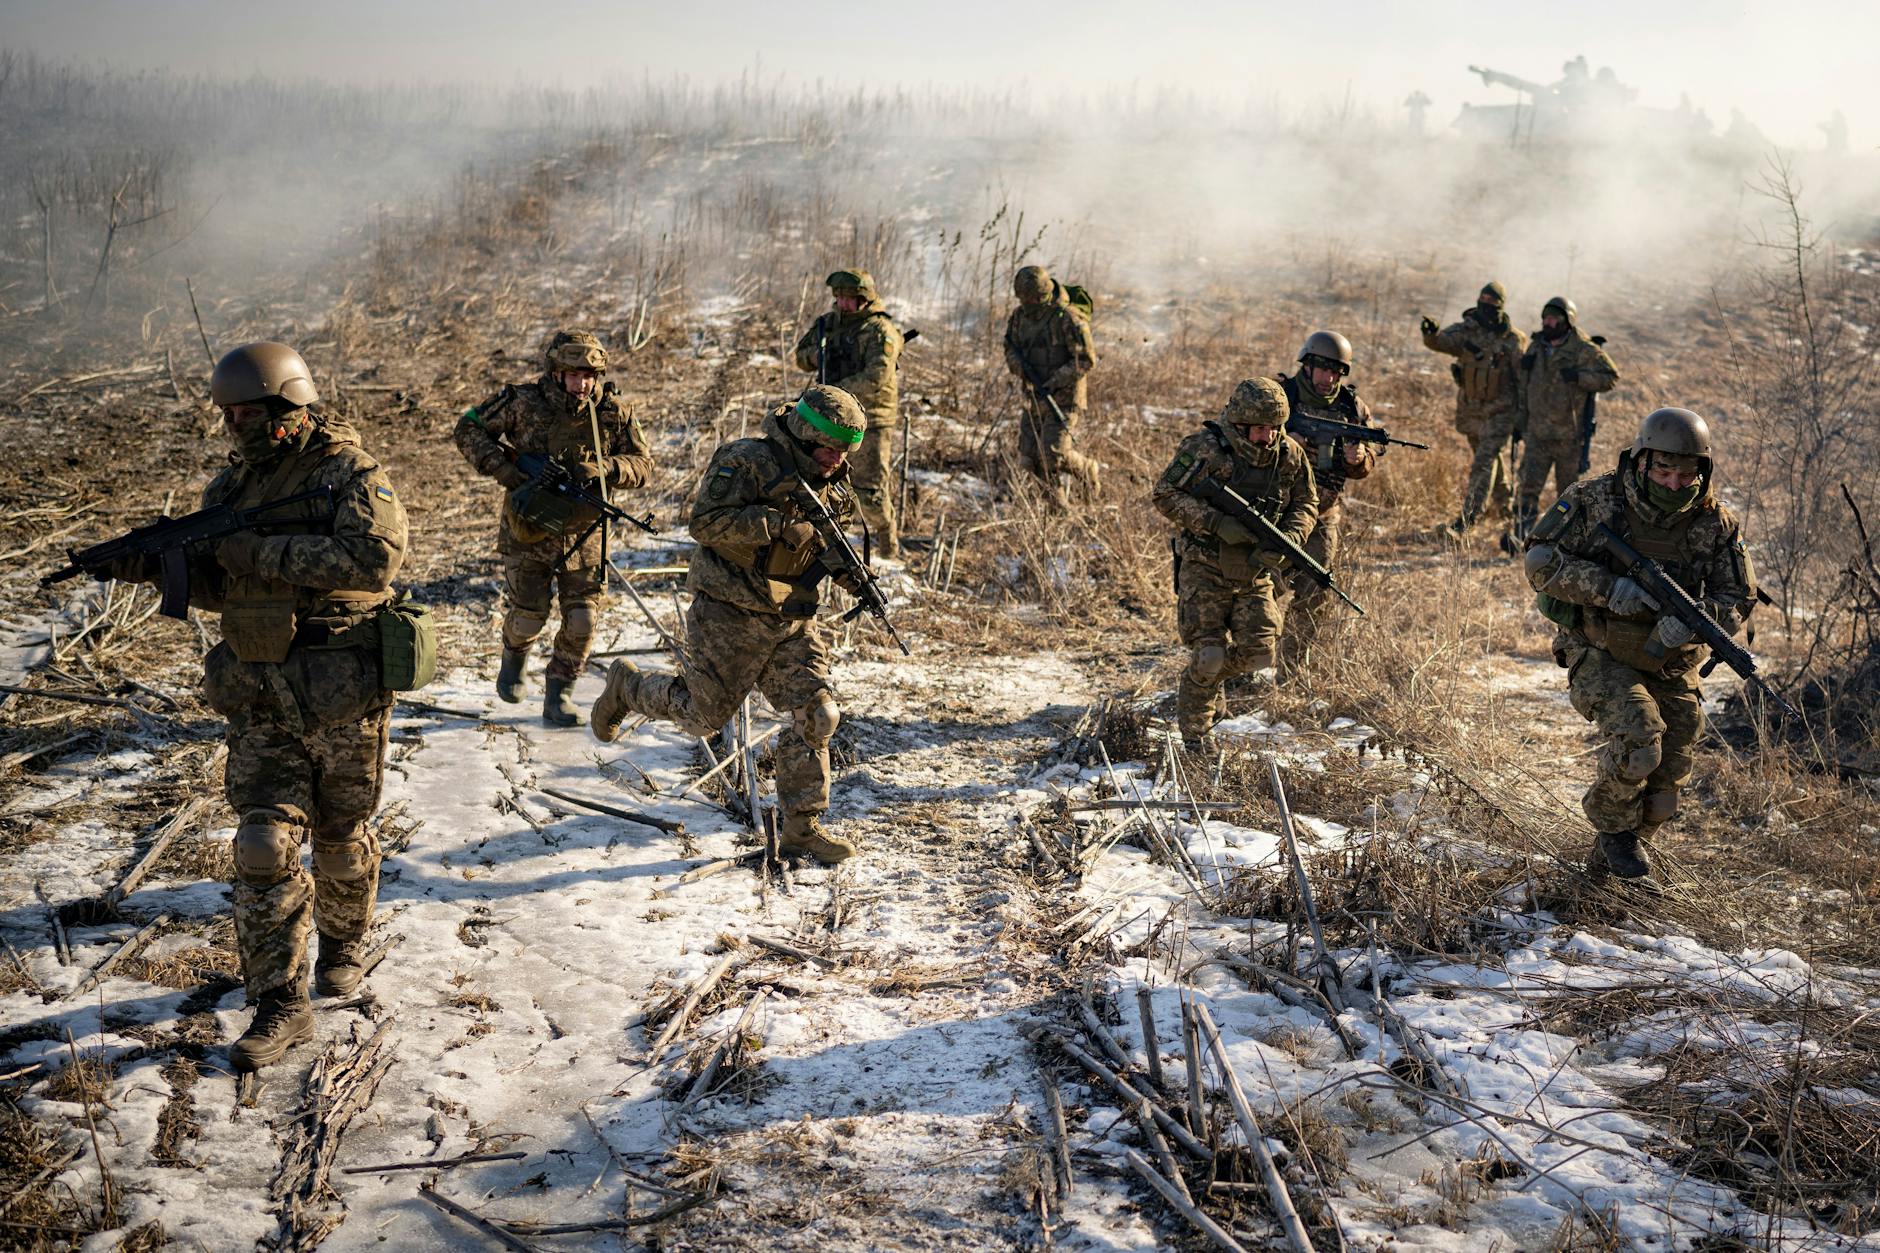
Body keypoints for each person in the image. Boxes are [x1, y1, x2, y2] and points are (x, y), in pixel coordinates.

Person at [88, 342, 408, 1069]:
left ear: (290, 405)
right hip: (260, 692)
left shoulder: (350, 474)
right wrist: (146, 565)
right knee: (262, 845)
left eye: (251, 413)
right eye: (230, 415)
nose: (239, 427)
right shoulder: (228, 488)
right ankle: (279, 1003)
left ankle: (346, 943)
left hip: (340, 690)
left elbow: (373, 560)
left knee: (341, 839)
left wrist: (260, 554)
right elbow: (218, 583)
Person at [589, 384, 870, 864]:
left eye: (845, 449)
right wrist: (775, 523)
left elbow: (823, 544)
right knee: (702, 717)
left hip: (790, 618)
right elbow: (706, 523)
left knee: (819, 713)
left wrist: (849, 573)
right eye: (829, 447)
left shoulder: (834, 482)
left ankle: (802, 827)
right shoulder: (746, 460)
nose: (836, 458)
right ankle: (628, 688)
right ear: (804, 435)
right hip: (728, 611)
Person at [1522, 408, 1756, 879]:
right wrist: (1608, 589)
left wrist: (1700, 622)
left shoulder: (1717, 523)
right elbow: (1540, 562)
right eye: (1664, 471)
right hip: (1600, 648)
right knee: (1639, 742)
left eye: (1686, 475)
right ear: (1643, 460)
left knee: (1665, 789)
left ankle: (1603, 876)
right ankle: (1612, 827)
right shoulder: (1596, 499)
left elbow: (1738, 596)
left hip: (1672, 663)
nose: (1673, 484)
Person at [455, 330, 652, 726]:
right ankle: (514, 657)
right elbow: (468, 428)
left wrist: (606, 468)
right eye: (574, 375)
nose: (583, 384)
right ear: (556, 373)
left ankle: (559, 694)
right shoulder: (522, 402)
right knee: (528, 614)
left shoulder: (614, 413)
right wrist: (504, 469)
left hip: (585, 536)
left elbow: (643, 465)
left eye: (589, 376)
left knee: (583, 621)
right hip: (530, 530)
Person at [1153, 378, 1318, 753]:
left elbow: (1306, 503)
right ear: (1241, 424)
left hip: (1255, 570)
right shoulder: (1204, 449)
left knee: (1260, 653)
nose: (1268, 437)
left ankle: (1203, 679)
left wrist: (1290, 539)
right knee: (1209, 653)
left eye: (1275, 428)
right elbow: (1165, 494)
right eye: (1261, 429)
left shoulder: (1290, 454)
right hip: (1204, 564)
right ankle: (1195, 738)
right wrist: (1214, 522)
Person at [1276, 331, 1377, 677]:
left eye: (1336, 372)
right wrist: (1284, 442)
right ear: (1307, 364)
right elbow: (1243, 439)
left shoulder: (1352, 408)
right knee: (1260, 588)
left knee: (1314, 592)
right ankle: (1244, 663)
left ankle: (1289, 672)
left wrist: (1357, 458)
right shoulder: (1282, 397)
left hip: (1322, 513)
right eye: (1323, 370)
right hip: (1277, 512)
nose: (1329, 379)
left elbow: (1368, 460)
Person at [794, 269, 905, 558]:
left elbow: (876, 377)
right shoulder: (828, 325)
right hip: (829, 421)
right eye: (839, 297)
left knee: (869, 491)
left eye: (848, 298)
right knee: (820, 480)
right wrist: (815, 357)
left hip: (872, 418)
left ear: (864, 299)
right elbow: (800, 355)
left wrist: (837, 394)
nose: (842, 304)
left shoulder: (880, 331)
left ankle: (887, 541)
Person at [1421, 283, 1525, 545]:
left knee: (1484, 461)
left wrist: (1523, 417)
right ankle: (1507, 511)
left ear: (1501, 304)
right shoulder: (1466, 330)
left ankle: (1467, 522)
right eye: (1483, 298)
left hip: (1501, 411)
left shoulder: (1512, 339)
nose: (1486, 303)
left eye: (1492, 300)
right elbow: (1442, 342)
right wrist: (1430, 335)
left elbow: (1523, 379)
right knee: (1490, 460)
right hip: (1471, 410)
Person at [1514, 296, 1618, 538]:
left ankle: (1566, 539)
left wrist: (1580, 377)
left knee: (1568, 494)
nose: (1548, 322)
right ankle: (1520, 535)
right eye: (1545, 317)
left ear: (1567, 321)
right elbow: (1524, 386)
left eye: (1554, 318)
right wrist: (1520, 422)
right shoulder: (1537, 346)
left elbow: (1610, 376)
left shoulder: (1583, 349)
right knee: (1527, 488)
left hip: (1568, 438)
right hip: (1537, 433)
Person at [1003, 265, 1100, 504]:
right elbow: (1009, 347)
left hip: (1065, 397)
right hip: (1033, 395)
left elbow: (1085, 360)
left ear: (1043, 295)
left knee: (1052, 455)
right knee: (1028, 459)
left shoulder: (1067, 318)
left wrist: (1054, 381)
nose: (1028, 304)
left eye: (1032, 299)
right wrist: (1020, 368)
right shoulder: (1019, 317)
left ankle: (1087, 469)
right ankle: (1057, 508)